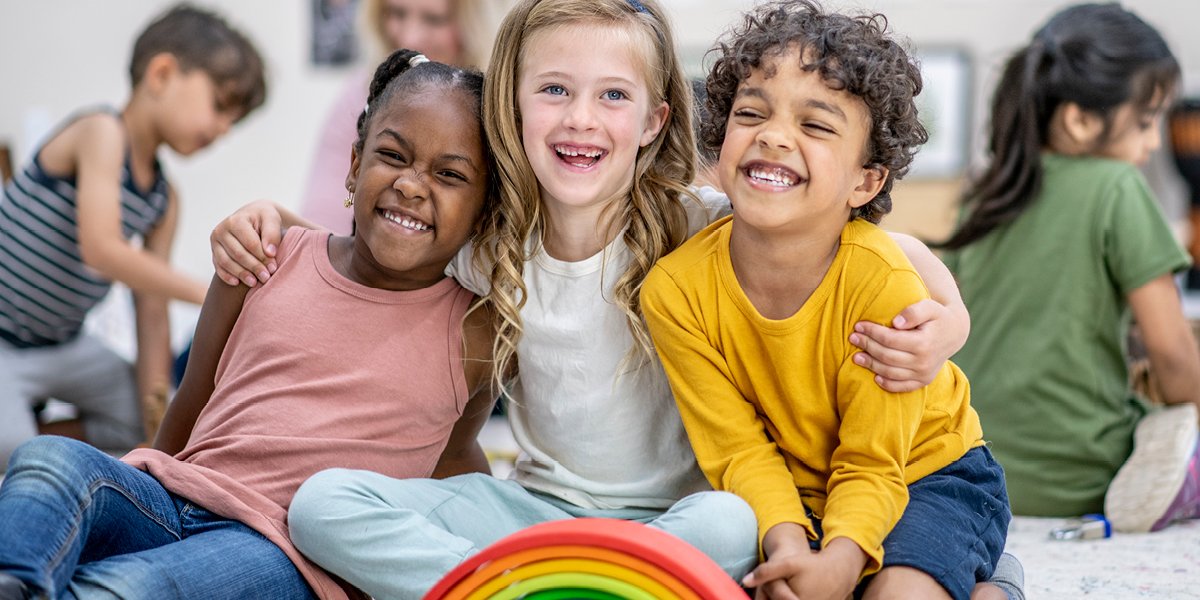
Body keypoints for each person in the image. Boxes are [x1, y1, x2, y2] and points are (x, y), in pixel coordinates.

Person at [209, 0, 974, 598]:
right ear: (510, 108)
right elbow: (387, 239)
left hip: (676, 516)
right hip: (533, 512)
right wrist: (280, 225)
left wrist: (951, 320)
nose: (580, 117)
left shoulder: (695, 223)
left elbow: (883, 251)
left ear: (653, 122)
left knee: (736, 521)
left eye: (612, 95)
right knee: (322, 505)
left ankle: (528, 586)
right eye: (553, 90)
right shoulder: (486, 245)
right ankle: (539, 589)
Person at [0, 49, 498, 600]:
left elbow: (455, 459)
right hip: (173, 500)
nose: (410, 184)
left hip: (285, 552)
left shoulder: (477, 329)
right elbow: (192, 401)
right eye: (391, 156)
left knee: (137, 583)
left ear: (485, 210)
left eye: (449, 174)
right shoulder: (264, 257)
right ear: (355, 167)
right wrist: (142, 481)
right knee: (48, 459)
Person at [641, 2, 1012, 599]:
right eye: (750, 113)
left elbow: (873, 463)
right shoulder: (674, 291)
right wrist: (788, 546)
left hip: (929, 475)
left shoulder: (881, 281)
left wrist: (840, 561)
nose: (773, 135)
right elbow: (738, 451)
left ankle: (992, 584)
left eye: (816, 125)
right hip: (795, 489)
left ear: (866, 181)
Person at [939, 3, 1200, 533]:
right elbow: (1171, 354)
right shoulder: (1118, 187)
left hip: (977, 467)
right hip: (1085, 475)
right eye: (1146, 122)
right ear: (1080, 120)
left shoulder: (986, 194)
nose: (1153, 143)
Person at [0, 5, 266, 469]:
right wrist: (210, 292)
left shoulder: (163, 198)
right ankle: (23, 429)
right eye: (220, 106)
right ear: (162, 73)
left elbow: (151, 308)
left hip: (63, 345)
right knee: (15, 454)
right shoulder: (101, 132)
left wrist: (155, 417)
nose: (223, 129)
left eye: (233, 121)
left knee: (147, 426)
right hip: (2, 341)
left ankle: (36, 426)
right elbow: (101, 249)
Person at [301, 0, 507, 234]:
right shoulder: (361, 96)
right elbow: (323, 218)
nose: (410, 38)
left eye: (434, 19)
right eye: (396, 13)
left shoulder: (506, 112)